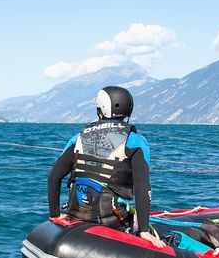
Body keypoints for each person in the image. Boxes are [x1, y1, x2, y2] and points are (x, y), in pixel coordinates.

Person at [47, 86, 165, 247]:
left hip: (76, 215)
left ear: (99, 111)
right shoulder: (135, 141)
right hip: (112, 221)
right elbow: (142, 186)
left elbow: (54, 177)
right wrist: (144, 231)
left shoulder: (78, 138)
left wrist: (55, 214)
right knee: (162, 234)